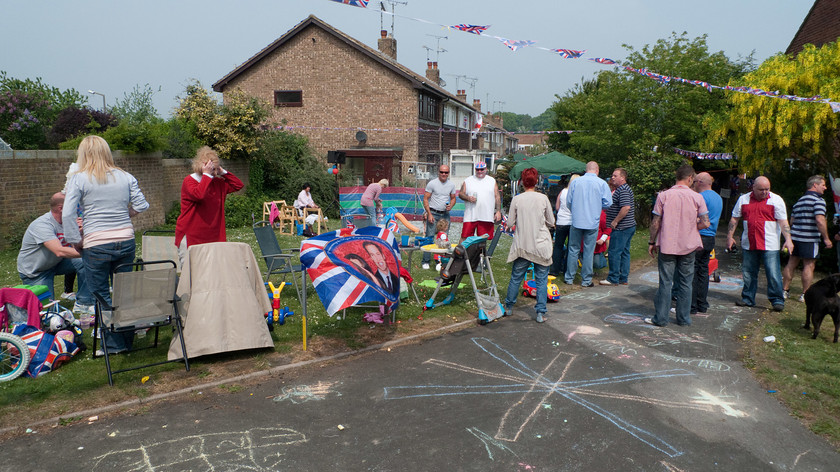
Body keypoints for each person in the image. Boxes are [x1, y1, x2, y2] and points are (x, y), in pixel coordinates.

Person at [63, 135, 149, 353]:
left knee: (102, 295)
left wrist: (76, 241)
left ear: (83, 154)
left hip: (96, 244)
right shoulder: (125, 176)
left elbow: (67, 214)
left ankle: (113, 346)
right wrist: (124, 215)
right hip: (125, 241)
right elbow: (141, 204)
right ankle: (125, 342)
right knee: (124, 292)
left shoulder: (79, 179)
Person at [646, 165, 709, 327]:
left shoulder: (663, 196)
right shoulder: (697, 198)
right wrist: (693, 227)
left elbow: (655, 223)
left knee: (665, 282)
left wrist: (652, 242)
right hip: (688, 245)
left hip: (667, 244)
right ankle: (683, 318)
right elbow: (706, 222)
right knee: (686, 282)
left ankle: (660, 318)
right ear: (689, 178)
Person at [17, 193, 94, 317]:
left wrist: (81, 232)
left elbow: (76, 247)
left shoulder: (68, 222)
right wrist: (91, 253)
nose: (77, 209)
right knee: (49, 314)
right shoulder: (42, 225)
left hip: (56, 262)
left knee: (87, 261)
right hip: (36, 271)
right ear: (61, 208)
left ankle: (84, 303)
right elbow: (60, 251)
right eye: (73, 206)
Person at [726, 176, 793, 312]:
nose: (764, 192)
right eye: (761, 189)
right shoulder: (744, 199)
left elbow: (783, 222)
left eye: (767, 189)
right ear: (754, 188)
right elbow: (735, 218)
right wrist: (729, 237)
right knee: (749, 273)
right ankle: (748, 298)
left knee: (773, 273)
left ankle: (777, 300)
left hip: (770, 244)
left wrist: (788, 239)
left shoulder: (776, 200)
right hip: (749, 243)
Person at [174, 146, 243, 266]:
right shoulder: (189, 181)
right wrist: (206, 175)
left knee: (213, 274)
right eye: (210, 168)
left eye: (214, 168)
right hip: (192, 235)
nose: (212, 171)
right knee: (191, 274)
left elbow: (238, 185)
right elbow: (199, 195)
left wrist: (223, 173)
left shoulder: (218, 183)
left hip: (213, 236)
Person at [503, 168, 555, 323]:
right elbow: (551, 222)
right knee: (541, 280)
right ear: (536, 180)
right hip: (541, 245)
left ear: (521, 182)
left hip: (523, 245)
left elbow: (510, 222)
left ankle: (509, 307)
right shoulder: (543, 198)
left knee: (516, 277)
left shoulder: (517, 199)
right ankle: (540, 313)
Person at [783, 175, 833, 302]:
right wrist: (826, 238)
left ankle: (784, 291)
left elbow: (792, 221)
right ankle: (805, 294)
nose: (825, 188)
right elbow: (820, 220)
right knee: (809, 265)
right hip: (809, 238)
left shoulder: (799, 201)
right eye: (823, 185)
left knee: (791, 263)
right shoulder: (818, 201)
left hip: (795, 238)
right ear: (815, 185)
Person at [565, 161, 612, 287]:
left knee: (573, 249)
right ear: (597, 170)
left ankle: (569, 277)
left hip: (577, 220)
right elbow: (608, 203)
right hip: (592, 221)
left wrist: (575, 211)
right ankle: (586, 280)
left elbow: (568, 201)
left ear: (586, 170)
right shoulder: (602, 183)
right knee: (588, 251)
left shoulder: (575, 182)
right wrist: (597, 207)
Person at [691, 172, 723, 315]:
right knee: (703, 272)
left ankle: (691, 305)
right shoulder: (718, 197)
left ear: (699, 182)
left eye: (695, 182)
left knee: (692, 271)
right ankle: (702, 303)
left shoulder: (700, 197)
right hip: (711, 237)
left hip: (699, 236)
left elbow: (694, 218)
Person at [601, 168, 636, 286]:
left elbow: (626, 207)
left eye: (615, 176)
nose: (613, 178)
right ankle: (623, 277)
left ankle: (613, 278)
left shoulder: (623, 190)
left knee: (614, 252)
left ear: (623, 177)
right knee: (624, 252)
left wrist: (615, 221)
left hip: (622, 227)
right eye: (612, 175)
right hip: (628, 226)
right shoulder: (621, 189)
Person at [421, 165, 457, 269]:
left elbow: (453, 198)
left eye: (446, 172)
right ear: (438, 172)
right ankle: (426, 261)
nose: (444, 174)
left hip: (445, 214)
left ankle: (440, 261)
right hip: (433, 213)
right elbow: (426, 199)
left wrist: (451, 205)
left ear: (448, 173)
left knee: (443, 239)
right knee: (429, 237)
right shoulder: (432, 183)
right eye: (442, 172)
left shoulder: (451, 185)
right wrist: (429, 214)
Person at [458, 161, 501, 240]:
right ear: (475, 170)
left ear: (486, 169)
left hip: (486, 215)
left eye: (482, 169)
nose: (479, 171)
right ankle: (461, 252)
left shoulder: (491, 181)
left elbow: (497, 196)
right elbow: (460, 194)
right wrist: (468, 198)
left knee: (483, 239)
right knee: (464, 237)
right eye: (477, 169)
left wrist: (498, 211)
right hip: (470, 216)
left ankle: (481, 253)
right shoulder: (468, 180)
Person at [550, 175, 578, 277]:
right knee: (571, 247)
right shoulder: (576, 193)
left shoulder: (563, 191)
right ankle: (567, 269)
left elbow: (557, 207)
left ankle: (554, 269)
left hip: (561, 221)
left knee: (558, 246)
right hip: (572, 222)